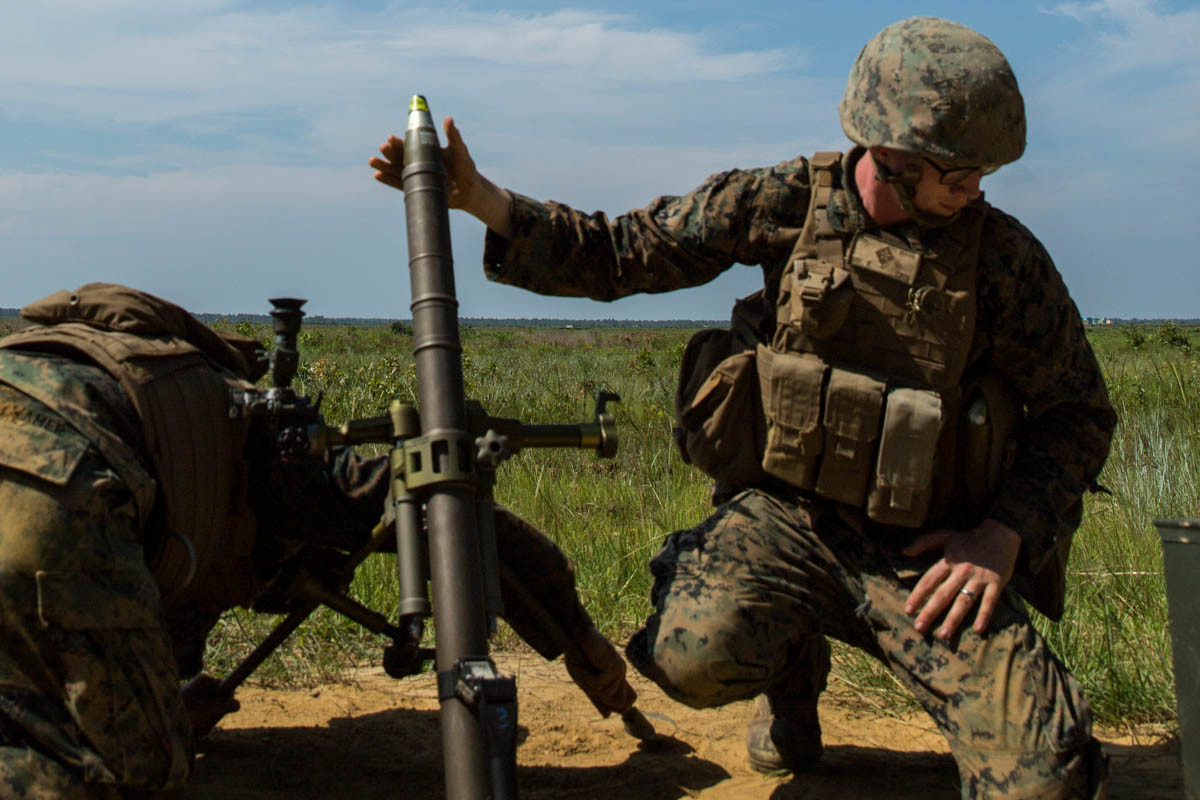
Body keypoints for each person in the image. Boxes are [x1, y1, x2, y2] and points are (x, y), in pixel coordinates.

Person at [371, 16, 1116, 798]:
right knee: (689, 655)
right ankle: (792, 672)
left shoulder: (1002, 260)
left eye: (982, 176)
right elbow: (621, 251)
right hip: (787, 520)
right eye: (956, 174)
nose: (974, 194)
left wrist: (1001, 537)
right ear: (891, 155)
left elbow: (1080, 414)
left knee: (1044, 781)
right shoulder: (783, 202)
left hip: (929, 553)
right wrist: (481, 199)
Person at [0, 282, 635, 798]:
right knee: (135, 774)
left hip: (59, 481)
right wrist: (581, 642)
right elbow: (449, 506)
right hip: (57, 484)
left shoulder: (153, 418)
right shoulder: (266, 450)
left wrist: (164, 701)